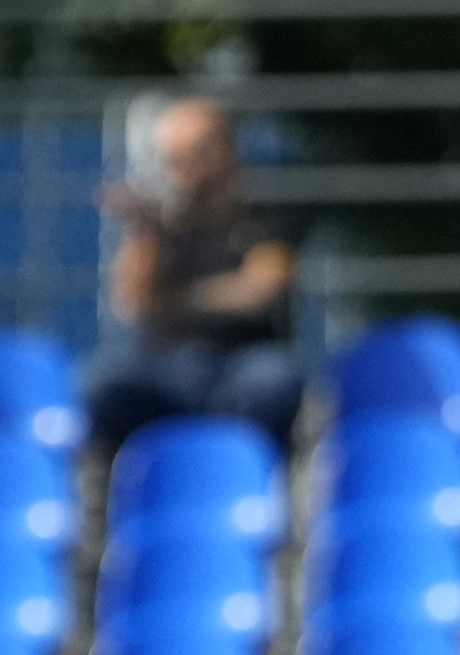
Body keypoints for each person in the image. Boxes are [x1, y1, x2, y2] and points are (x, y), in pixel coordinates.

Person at [80, 94, 305, 448]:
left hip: (242, 361)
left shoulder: (264, 216)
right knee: (105, 386)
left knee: (276, 381)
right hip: (165, 366)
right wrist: (142, 230)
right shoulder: (159, 223)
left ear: (221, 152)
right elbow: (133, 300)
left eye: (184, 156)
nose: (174, 168)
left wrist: (178, 300)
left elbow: (260, 290)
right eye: (168, 158)